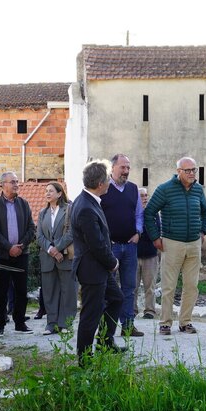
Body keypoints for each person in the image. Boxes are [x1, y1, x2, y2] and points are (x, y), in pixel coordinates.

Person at [144, 157, 206, 336]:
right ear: (178, 171)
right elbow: (149, 212)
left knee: (192, 285)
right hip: (172, 243)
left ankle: (185, 322)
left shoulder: (198, 189)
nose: (191, 174)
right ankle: (165, 323)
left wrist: (203, 230)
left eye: (194, 170)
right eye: (187, 170)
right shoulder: (165, 189)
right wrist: (155, 237)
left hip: (194, 244)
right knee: (168, 286)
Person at [72, 159, 123, 363]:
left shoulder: (89, 201)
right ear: (100, 183)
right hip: (92, 269)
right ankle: (84, 358)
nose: (110, 182)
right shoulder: (85, 206)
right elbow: (96, 244)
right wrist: (113, 263)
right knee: (90, 314)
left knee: (117, 298)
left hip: (99, 268)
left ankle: (104, 342)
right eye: (108, 179)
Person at [100, 154, 144, 337]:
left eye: (128, 167)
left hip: (130, 247)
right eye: (122, 167)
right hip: (111, 248)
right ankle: (105, 329)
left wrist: (138, 233)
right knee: (107, 289)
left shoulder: (133, 189)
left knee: (129, 287)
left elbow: (139, 214)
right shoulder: (103, 188)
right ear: (112, 168)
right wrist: (104, 238)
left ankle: (128, 326)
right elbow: (98, 215)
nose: (126, 171)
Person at [0, 171, 36, 335]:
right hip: (3, 256)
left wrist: (21, 245)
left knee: (21, 290)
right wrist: (9, 247)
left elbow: (31, 228)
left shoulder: (24, 203)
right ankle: (0, 324)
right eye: (12, 182)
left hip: (22, 253)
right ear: (3, 185)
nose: (16, 184)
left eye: (17, 182)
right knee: (1, 291)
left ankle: (20, 322)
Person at [36, 182, 76, 335]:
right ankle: (51, 324)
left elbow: (71, 233)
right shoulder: (42, 213)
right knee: (49, 291)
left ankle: (66, 323)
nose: (47, 193)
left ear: (59, 194)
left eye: (51, 191)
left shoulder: (69, 210)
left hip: (65, 257)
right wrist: (51, 250)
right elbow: (39, 236)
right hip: (47, 257)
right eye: (46, 191)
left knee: (68, 291)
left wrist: (57, 248)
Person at [135, 187, 159, 319]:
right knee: (132, 285)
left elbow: (157, 231)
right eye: (141, 196)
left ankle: (150, 310)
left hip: (150, 255)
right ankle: (132, 310)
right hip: (134, 254)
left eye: (145, 196)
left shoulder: (153, 214)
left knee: (150, 286)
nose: (144, 198)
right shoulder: (131, 213)